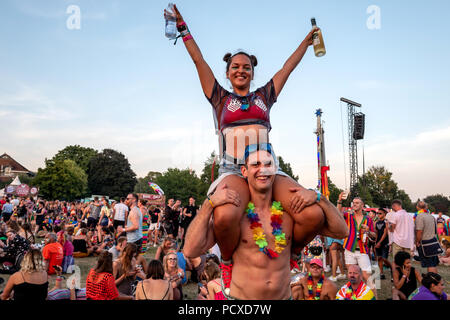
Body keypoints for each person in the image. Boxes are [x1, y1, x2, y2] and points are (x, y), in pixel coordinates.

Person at [168, 5, 334, 288]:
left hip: (267, 168)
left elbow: (287, 68)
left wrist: (306, 43)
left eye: (247, 67)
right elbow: (199, 61)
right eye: (236, 67)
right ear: (228, 72)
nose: (241, 70)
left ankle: (293, 253)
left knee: (311, 213)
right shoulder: (219, 97)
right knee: (225, 213)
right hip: (233, 167)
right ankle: (229, 261)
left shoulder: (264, 95)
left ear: (253, 71)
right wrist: (183, 28)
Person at [184, 146, 348, 299]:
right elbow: (190, 250)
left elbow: (342, 232)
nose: (262, 169)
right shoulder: (237, 217)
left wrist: (320, 198)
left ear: (275, 170)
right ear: (244, 171)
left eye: (268, 164)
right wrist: (209, 204)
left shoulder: (289, 216)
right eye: (255, 164)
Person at [337, 195, 376, 293]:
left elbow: (374, 236)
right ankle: (356, 296)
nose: (354, 204)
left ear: (362, 205)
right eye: (353, 203)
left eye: (357, 203)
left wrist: (368, 231)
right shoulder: (348, 216)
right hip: (349, 250)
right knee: (353, 278)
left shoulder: (368, 220)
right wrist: (339, 201)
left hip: (362, 251)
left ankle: (374, 297)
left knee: (368, 277)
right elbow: (338, 214)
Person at [415, 201, 440, 273]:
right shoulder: (431, 216)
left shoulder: (420, 216)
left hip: (425, 243)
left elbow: (419, 231)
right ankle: (436, 280)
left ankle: (432, 281)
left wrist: (417, 241)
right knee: (433, 264)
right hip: (433, 242)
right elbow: (436, 231)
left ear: (417, 207)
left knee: (429, 264)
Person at [374, 208, 392, 280]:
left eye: (380, 213)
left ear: (385, 214)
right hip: (378, 242)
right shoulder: (377, 222)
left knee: (384, 259)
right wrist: (376, 242)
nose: (378, 215)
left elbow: (385, 233)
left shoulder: (386, 222)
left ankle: (392, 269)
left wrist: (379, 242)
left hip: (385, 242)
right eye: (377, 213)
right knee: (379, 258)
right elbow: (377, 233)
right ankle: (381, 273)